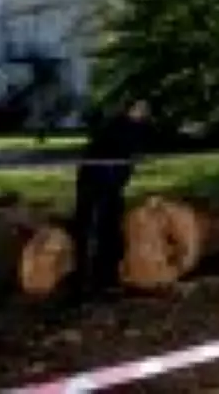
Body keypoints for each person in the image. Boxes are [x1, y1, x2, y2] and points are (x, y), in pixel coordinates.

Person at [70, 99, 152, 300]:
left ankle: (107, 276)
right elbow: (110, 150)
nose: (142, 111)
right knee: (91, 227)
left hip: (112, 184)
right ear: (129, 108)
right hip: (96, 181)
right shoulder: (116, 127)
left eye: (144, 109)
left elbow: (132, 153)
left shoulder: (139, 129)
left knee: (110, 228)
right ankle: (84, 277)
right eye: (138, 107)